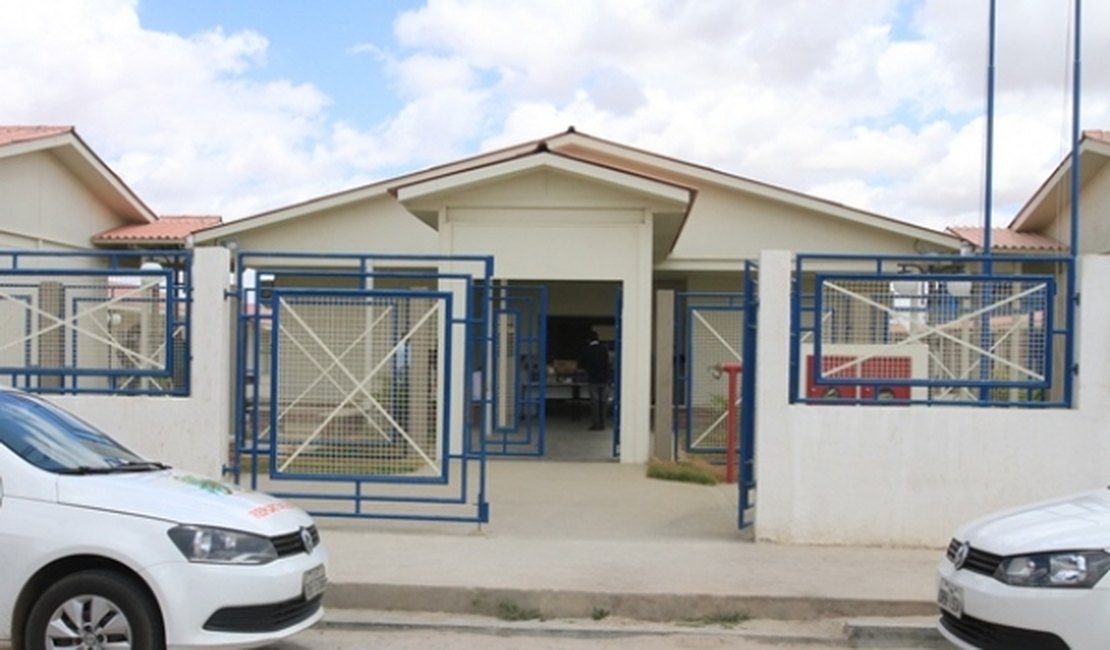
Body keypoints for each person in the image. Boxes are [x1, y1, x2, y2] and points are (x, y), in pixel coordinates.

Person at [579, 330, 610, 431]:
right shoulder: (604, 349)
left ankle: (596, 424)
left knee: (595, 403)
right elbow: (607, 362)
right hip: (605, 378)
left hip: (593, 379)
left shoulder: (587, 350)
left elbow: (582, 363)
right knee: (604, 402)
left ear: (589, 339)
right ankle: (603, 423)